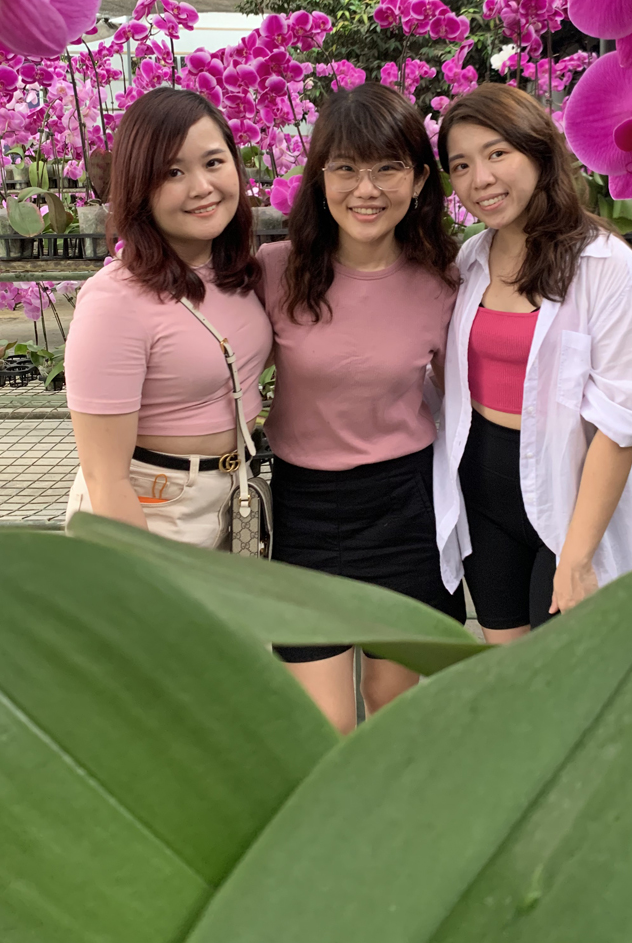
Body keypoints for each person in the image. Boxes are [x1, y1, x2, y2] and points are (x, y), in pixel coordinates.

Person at [257, 82, 464, 734]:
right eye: (345, 168)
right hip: (302, 512)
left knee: (394, 710)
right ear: (319, 177)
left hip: (404, 509)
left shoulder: (444, 281)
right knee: (322, 726)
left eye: (387, 168)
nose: (365, 189)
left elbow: (469, 400)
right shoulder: (274, 271)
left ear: (420, 179)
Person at [434, 82, 632, 643]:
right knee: (509, 664)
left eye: (497, 153)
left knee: (568, 667)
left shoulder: (609, 270)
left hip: (569, 497)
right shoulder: (472, 259)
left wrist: (578, 556)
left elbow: (619, 426)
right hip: (481, 491)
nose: (480, 179)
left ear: (539, 151)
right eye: (461, 165)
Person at [65, 86, 272, 548]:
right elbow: (105, 478)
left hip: (234, 492)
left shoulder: (237, 273)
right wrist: (145, 575)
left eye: (214, 162)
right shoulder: (113, 301)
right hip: (154, 510)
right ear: (139, 185)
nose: (201, 187)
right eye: (173, 172)